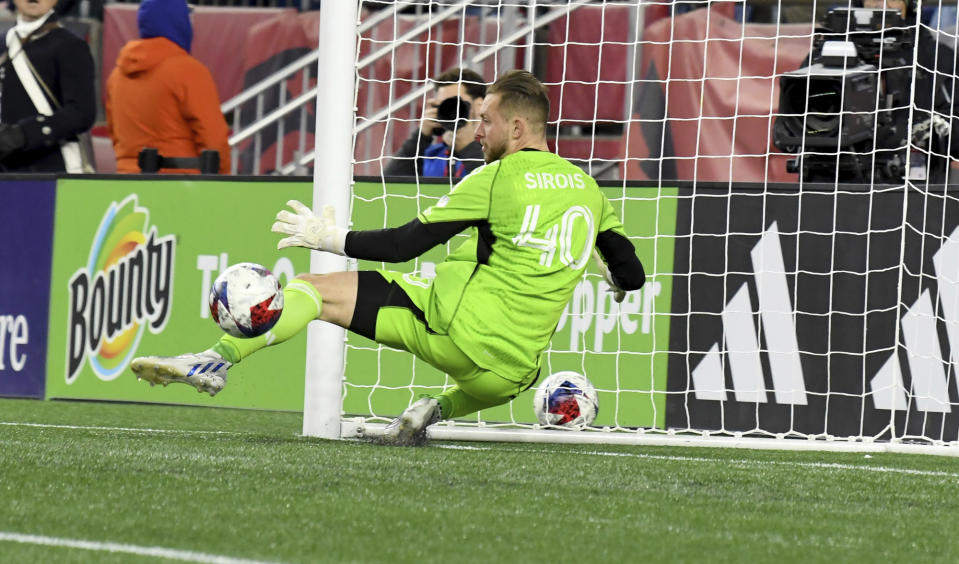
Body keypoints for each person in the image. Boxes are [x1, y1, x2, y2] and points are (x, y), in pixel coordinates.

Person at [131, 70, 646, 445]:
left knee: (313, 289)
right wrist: (605, 272)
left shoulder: (496, 178)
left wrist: (327, 235)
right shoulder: (587, 189)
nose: (478, 129)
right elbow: (633, 274)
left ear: (516, 128)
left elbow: (404, 246)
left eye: (485, 120)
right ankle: (434, 410)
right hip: (509, 378)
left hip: (457, 332)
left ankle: (216, 360)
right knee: (511, 371)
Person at [105, 0, 230, 174]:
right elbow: (213, 137)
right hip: (182, 184)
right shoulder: (189, 70)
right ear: (179, 22)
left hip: (131, 184)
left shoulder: (117, 75)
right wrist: (223, 179)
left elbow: (115, 135)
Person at [0, 0, 95, 173]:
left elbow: (81, 113)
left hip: (49, 168)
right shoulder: (3, 43)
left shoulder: (70, 46)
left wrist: (23, 134)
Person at [384, 67, 486, 179]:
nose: (450, 109)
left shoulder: (494, 150)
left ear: (480, 105)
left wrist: (468, 147)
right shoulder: (431, 155)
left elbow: (494, 185)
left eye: (455, 103)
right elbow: (389, 185)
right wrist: (421, 135)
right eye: (444, 105)